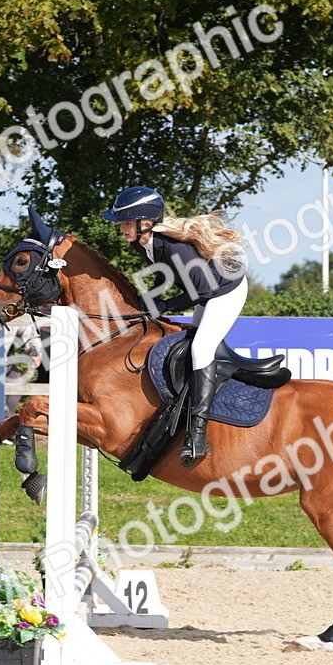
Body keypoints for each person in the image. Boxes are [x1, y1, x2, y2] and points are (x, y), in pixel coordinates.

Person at [102, 185, 247, 467]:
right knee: (193, 344)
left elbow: (202, 293)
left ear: (145, 223)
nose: (121, 228)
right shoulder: (142, 243)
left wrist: (165, 306)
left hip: (225, 290)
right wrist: (147, 300)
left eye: (126, 223)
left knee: (202, 349)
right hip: (207, 289)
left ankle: (198, 435)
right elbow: (164, 276)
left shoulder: (175, 247)